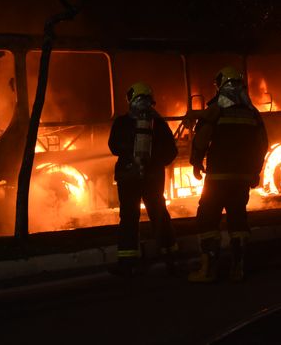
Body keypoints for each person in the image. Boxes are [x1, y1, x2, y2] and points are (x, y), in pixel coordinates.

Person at [188, 66, 268, 282]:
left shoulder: (216, 110)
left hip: (218, 178)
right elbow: (262, 146)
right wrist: (255, 171)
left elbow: (202, 138)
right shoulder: (253, 113)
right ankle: (237, 268)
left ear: (221, 86)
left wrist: (196, 162)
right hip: (241, 179)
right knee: (238, 219)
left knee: (207, 218)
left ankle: (208, 270)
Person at [108, 81, 179, 277]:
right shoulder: (160, 124)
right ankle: (170, 257)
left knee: (129, 217)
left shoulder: (122, 122)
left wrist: (132, 157)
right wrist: (153, 163)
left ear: (130, 99)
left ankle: (127, 263)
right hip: (153, 178)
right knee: (159, 213)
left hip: (128, 176)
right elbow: (171, 153)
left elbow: (113, 146)